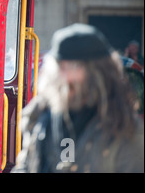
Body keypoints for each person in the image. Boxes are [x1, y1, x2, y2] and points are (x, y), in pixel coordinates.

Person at [12, 24, 144, 173]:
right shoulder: (41, 115)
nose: (66, 76)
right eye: (61, 66)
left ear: (99, 72)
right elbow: (26, 166)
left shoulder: (124, 127)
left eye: (75, 67)